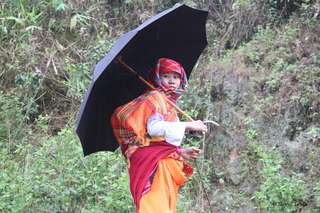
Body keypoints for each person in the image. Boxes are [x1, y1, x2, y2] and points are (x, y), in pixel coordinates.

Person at [110, 58, 208, 213]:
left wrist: (181, 152)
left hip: (160, 161)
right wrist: (188, 125)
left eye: (176, 77)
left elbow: (160, 141)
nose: (172, 81)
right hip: (151, 164)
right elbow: (154, 129)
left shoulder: (169, 104)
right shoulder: (155, 97)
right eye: (166, 76)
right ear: (156, 77)